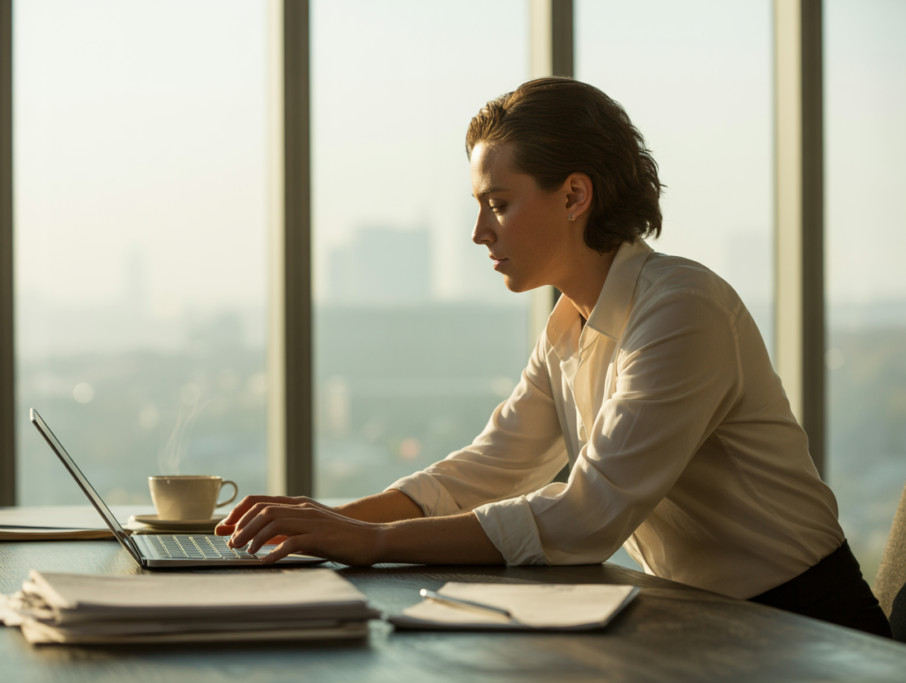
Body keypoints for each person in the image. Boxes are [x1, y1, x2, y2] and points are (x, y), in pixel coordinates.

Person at [216, 77, 891, 637]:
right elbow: (488, 469)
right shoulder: (570, 323)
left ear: (573, 195)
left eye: (498, 205)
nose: (479, 233)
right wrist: (330, 522)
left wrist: (373, 543)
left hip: (811, 629)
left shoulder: (684, 309)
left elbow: (585, 515)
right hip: (709, 622)